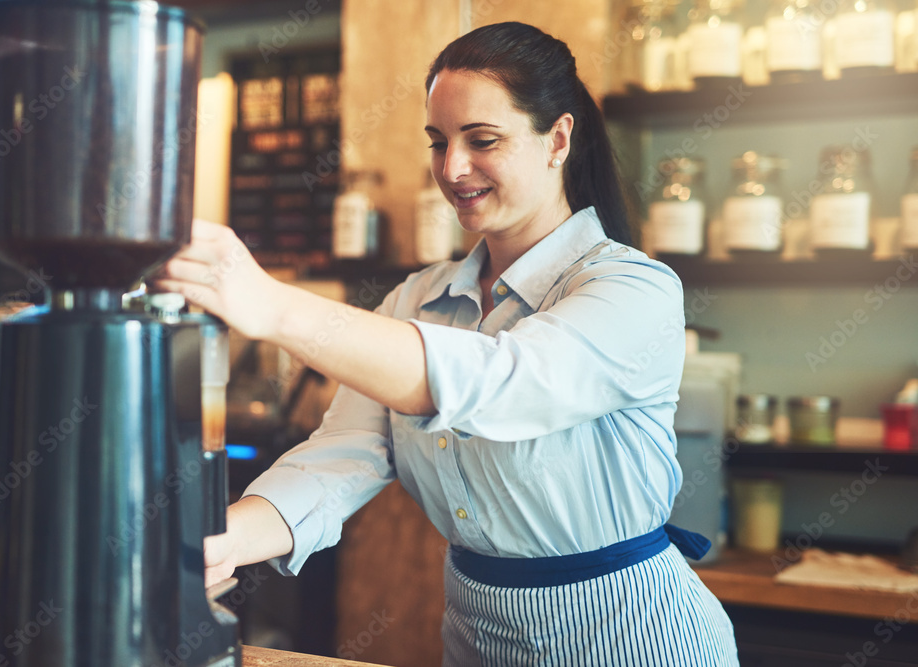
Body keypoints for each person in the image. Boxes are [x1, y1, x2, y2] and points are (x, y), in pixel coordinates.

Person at [156, 21, 739, 667]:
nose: (453, 168)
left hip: (632, 639)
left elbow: (499, 382)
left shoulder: (633, 288)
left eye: (482, 140)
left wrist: (271, 305)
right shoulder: (416, 300)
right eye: (439, 143)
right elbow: (339, 457)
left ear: (558, 139)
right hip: (475, 635)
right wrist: (225, 540)